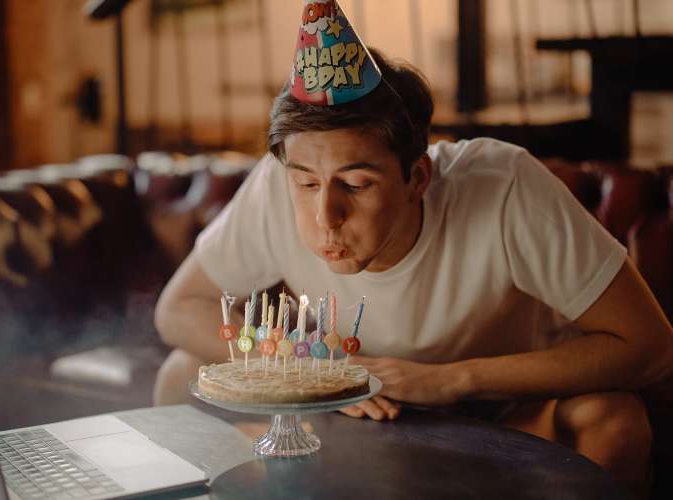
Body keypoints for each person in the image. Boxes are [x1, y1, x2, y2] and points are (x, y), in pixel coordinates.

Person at [154, 4, 672, 497]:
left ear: (417, 177)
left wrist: (452, 380)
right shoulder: (274, 184)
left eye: (355, 185)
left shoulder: (504, 186)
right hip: (347, 416)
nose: (324, 216)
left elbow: (650, 345)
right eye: (306, 184)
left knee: (613, 418)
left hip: (504, 418)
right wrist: (319, 380)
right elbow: (178, 308)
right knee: (181, 373)